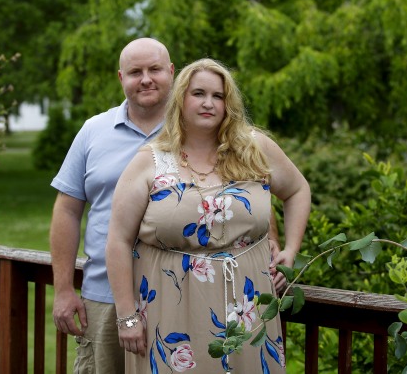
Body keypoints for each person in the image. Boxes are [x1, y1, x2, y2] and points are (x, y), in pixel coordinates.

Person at [49, 41, 282, 374]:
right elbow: (67, 211)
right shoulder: (93, 132)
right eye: (135, 72)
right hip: (104, 294)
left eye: (154, 70)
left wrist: (269, 240)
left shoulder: (205, 129)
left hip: (184, 295)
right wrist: (62, 289)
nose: (146, 79)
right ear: (121, 78)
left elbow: (244, 195)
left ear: (172, 73)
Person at [105, 58, 311, 373]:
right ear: (180, 99)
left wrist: (290, 251)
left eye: (218, 96)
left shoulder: (255, 149)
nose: (208, 103)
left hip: (248, 306)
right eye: (198, 93)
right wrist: (127, 316)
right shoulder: (150, 161)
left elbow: (297, 190)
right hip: (169, 310)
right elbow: (118, 240)